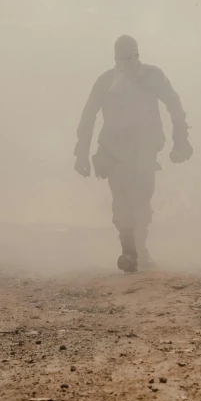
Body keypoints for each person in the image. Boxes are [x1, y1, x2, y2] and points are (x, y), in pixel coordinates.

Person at [73, 35, 193, 272]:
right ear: (115, 59)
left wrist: (181, 140)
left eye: (132, 58)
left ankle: (138, 249)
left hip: (144, 151)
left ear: (138, 56)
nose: (127, 65)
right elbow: (88, 116)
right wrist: (82, 153)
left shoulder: (151, 77)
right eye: (122, 59)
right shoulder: (106, 82)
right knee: (121, 201)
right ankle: (129, 252)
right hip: (114, 153)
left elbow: (174, 104)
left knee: (141, 200)